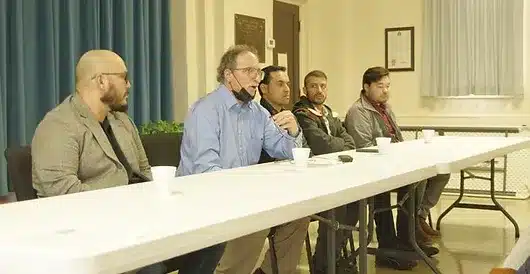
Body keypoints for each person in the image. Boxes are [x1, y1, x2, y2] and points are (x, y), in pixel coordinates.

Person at [32, 49, 166, 274]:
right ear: (102, 81)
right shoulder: (58, 125)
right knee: (150, 266)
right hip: (91, 233)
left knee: (209, 240)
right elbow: (62, 193)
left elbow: (143, 169)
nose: (129, 85)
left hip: (140, 223)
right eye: (124, 77)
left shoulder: (122, 121)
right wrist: (125, 209)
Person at [178, 45, 304, 274]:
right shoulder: (205, 111)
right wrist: (248, 191)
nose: (256, 78)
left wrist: (294, 131)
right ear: (228, 75)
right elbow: (206, 171)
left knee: (299, 213)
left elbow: (286, 151)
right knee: (256, 219)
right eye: (249, 71)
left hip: (241, 195)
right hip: (201, 198)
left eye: (258, 72)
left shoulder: (258, 113)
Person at [344, 66, 446, 270]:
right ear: (366, 86)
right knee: (382, 194)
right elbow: (362, 147)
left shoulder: (386, 108)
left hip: (390, 163)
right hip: (370, 169)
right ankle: (387, 249)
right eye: (380, 86)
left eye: (388, 86)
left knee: (421, 178)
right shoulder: (358, 111)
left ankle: (408, 241)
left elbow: (397, 138)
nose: (385, 90)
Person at [292, 70, 358, 274]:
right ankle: (323, 265)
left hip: (336, 177)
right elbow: (322, 146)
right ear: (304, 90)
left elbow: (350, 141)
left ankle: (334, 256)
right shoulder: (302, 113)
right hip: (314, 180)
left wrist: (340, 144)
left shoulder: (328, 112)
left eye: (323, 86)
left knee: (357, 202)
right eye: (313, 86)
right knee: (336, 208)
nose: (319, 90)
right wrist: (342, 144)